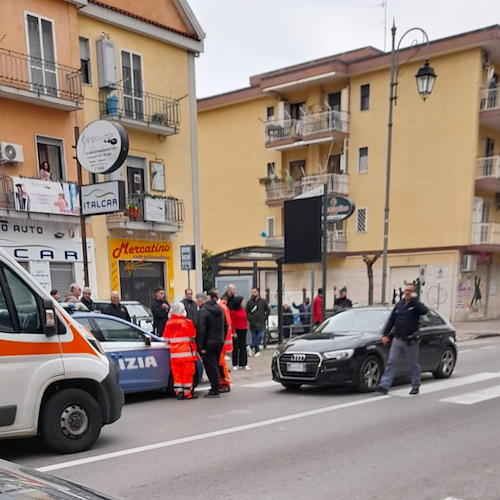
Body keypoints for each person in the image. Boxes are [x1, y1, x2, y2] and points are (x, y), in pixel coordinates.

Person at [377, 283, 429, 396]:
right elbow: (391, 320)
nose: (407, 292)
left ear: (414, 292)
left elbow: (425, 311)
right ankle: (384, 385)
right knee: (391, 362)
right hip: (397, 339)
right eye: (406, 290)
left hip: (411, 341)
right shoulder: (399, 305)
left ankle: (415, 386)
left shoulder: (416, 305)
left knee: (413, 364)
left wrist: (415, 300)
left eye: (410, 291)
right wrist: (385, 334)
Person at [163, 302, 198, 400]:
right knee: (187, 374)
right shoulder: (187, 322)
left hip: (174, 354)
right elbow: (193, 335)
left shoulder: (168, 323)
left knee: (177, 374)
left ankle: (179, 393)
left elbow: (166, 338)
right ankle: (188, 393)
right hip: (186, 354)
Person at [196, 292, 226, 398]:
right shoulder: (220, 309)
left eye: (197, 302)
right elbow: (225, 326)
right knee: (216, 365)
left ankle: (215, 389)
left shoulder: (203, 311)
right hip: (219, 341)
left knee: (210, 367)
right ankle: (216, 386)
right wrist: (222, 338)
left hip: (209, 343)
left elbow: (201, 330)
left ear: (200, 301)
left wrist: (202, 347)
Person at [246, 287, 270, 357]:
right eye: (252, 292)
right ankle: (257, 351)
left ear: (258, 292)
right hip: (253, 323)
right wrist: (250, 319)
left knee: (260, 335)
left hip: (261, 322)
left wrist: (264, 317)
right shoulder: (249, 302)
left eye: (254, 292)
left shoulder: (263, 301)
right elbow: (246, 312)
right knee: (254, 337)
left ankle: (250, 347)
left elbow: (268, 310)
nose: (253, 293)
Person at [217, 294, 233, 393]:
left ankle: (225, 383)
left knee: (221, 364)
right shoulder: (224, 308)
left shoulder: (221, 308)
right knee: (221, 363)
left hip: (221, 342)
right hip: (223, 341)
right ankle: (224, 383)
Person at [231, 296, 249, 371]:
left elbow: (245, 319)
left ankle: (243, 363)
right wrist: (233, 332)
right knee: (235, 348)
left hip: (243, 329)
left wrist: (246, 326)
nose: (243, 303)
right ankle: (235, 363)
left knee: (243, 347)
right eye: (242, 302)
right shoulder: (233, 312)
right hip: (237, 330)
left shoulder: (244, 310)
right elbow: (232, 323)